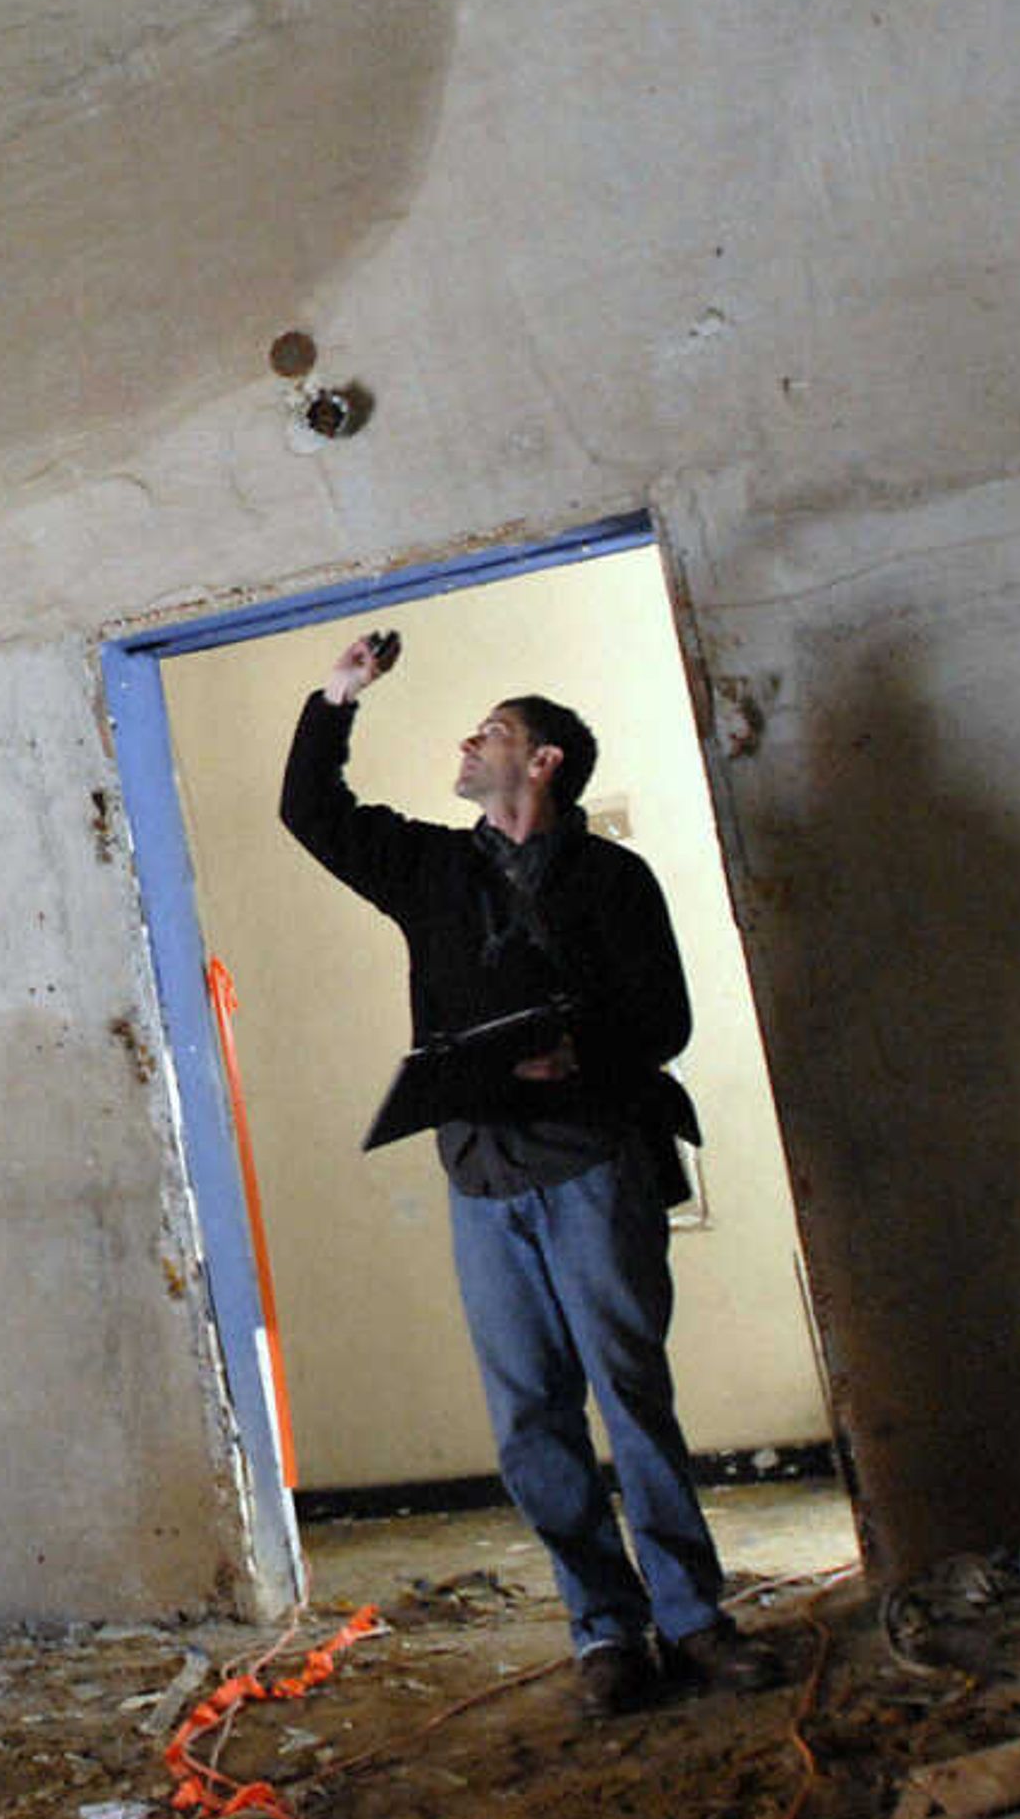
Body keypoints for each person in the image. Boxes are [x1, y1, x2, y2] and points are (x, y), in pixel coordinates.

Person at [277, 628, 778, 1715]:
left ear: (543, 760)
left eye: (492, 732)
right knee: (530, 1420)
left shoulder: (613, 879)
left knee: (632, 1397)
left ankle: (693, 1619)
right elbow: (312, 813)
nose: (469, 742)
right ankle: (605, 1630)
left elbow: (669, 1019)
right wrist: (338, 696)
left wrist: (579, 1052)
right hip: (482, 1178)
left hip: (594, 1164)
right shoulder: (434, 869)